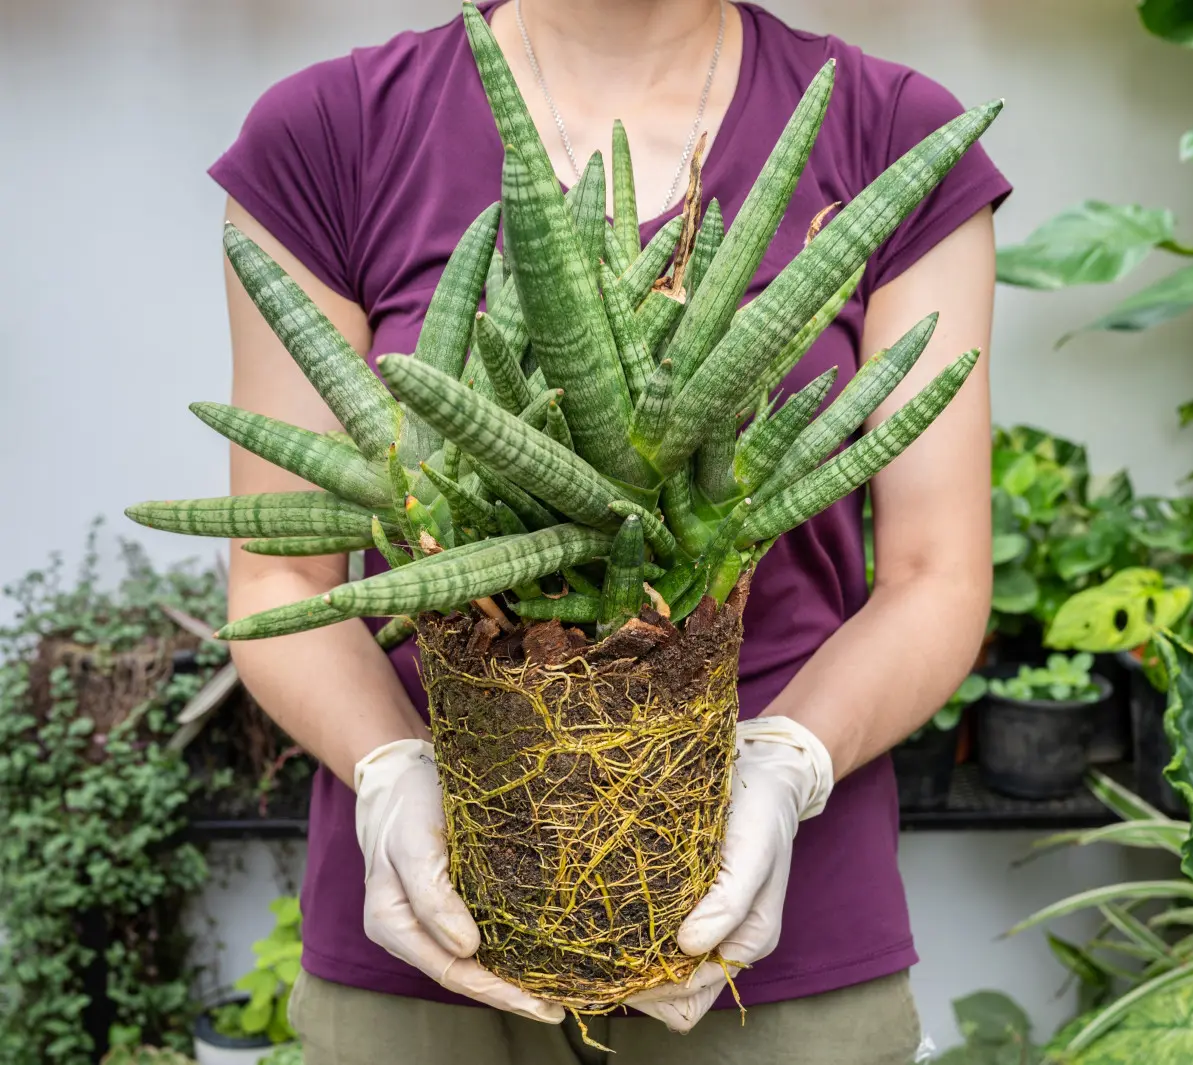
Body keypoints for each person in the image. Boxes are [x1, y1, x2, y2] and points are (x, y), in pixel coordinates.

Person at [213, 0, 1006, 1061]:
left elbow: (934, 575)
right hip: (425, 935)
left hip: (776, 946)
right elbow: (278, 573)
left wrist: (785, 765)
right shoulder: (333, 127)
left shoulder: (888, 127)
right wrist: (390, 770)